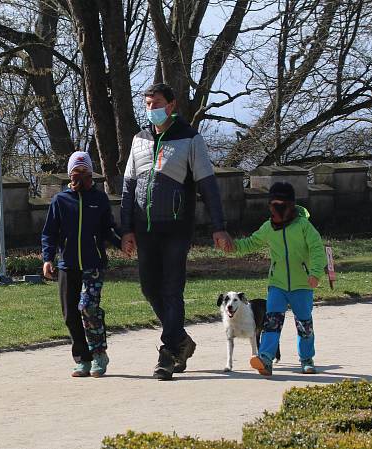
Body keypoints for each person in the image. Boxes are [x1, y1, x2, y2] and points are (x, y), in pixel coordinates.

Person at [120, 83, 233, 380]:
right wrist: (126, 229)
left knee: (172, 289)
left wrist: (218, 227)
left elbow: (208, 186)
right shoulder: (139, 139)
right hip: (145, 229)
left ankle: (168, 352)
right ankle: (181, 339)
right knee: (149, 288)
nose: (151, 108)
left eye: (156, 103)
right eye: (147, 104)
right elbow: (128, 187)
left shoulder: (190, 139)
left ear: (171, 105)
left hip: (176, 229)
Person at [229, 181, 326, 376]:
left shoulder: (304, 226)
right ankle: (265, 359)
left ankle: (306, 359)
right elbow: (251, 243)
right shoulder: (268, 227)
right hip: (277, 285)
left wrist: (315, 273)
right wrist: (232, 246)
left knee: (304, 324)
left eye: (281, 205)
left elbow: (317, 249)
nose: (276, 209)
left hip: (302, 285)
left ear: (290, 206)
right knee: (271, 321)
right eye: (273, 205)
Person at [41, 151, 121, 378]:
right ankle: (82, 359)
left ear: (90, 174)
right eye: (76, 172)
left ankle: (98, 355)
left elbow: (108, 228)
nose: (81, 176)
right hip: (67, 265)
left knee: (88, 308)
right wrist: (48, 258)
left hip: (92, 264)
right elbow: (50, 233)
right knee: (70, 314)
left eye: (85, 172)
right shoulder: (60, 200)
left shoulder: (99, 199)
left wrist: (122, 242)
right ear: (70, 174)